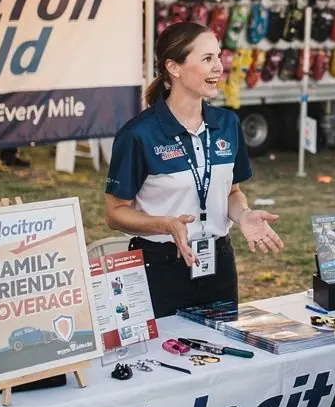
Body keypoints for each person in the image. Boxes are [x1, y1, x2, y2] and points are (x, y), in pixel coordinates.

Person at [105, 22, 283, 318]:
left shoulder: (227, 124)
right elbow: (114, 213)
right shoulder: (138, 134)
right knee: (164, 359)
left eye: (218, 56)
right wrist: (165, 224)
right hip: (162, 266)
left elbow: (233, 192)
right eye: (207, 59)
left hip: (219, 263)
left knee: (224, 356)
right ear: (173, 67)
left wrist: (244, 215)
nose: (219, 67)